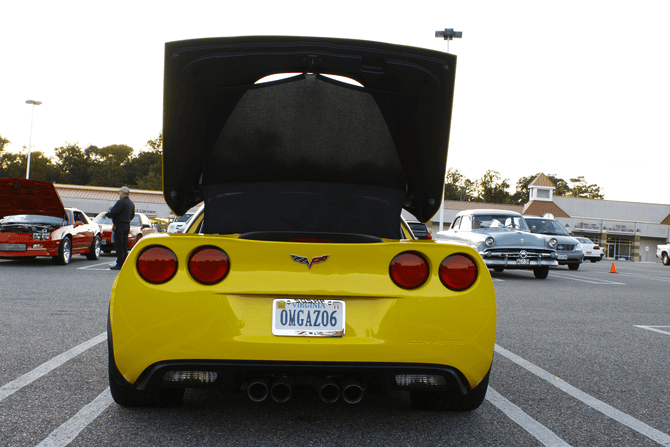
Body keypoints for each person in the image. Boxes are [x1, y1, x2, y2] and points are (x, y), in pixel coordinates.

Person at [106, 186, 135, 270]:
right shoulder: (131, 203)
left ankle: (119, 264)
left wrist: (107, 214)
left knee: (119, 244)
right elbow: (132, 215)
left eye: (119, 192)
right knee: (124, 245)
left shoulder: (120, 202)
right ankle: (125, 263)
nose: (119, 193)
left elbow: (113, 212)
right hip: (127, 225)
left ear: (122, 193)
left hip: (119, 225)